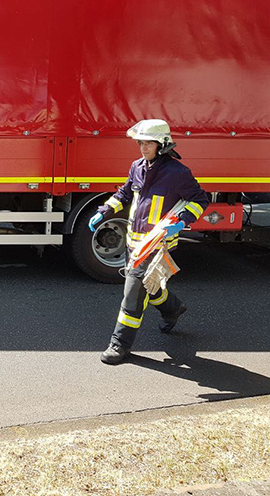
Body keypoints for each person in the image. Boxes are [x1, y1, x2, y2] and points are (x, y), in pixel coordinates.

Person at [89, 119, 210, 365]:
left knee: (133, 294)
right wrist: (105, 210)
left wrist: (182, 221)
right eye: (140, 143)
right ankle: (172, 308)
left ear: (162, 144)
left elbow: (200, 200)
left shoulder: (178, 173)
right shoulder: (137, 167)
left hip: (157, 245)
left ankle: (119, 345)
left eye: (148, 143)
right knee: (148, 286)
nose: (143, 148)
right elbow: (124, 193)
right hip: (134, 243)